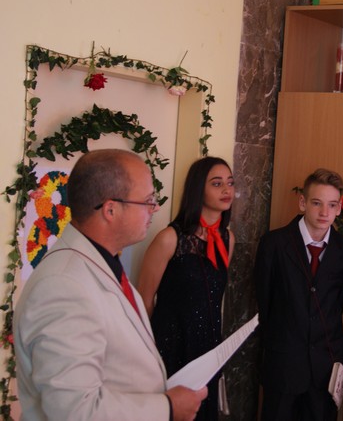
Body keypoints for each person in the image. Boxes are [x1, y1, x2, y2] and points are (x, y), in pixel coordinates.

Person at [13, 149, 207, 421]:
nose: (155, 209)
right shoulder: (63, 285)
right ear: (111, 209)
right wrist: (167, 408)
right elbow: (74, 410)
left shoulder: (101, 262)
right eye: (148, 201)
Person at [254, 168, 343, 421]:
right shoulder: (273, 244)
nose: (324, 212)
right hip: (283, 364)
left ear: (339, 208)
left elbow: (337, 304)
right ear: (302, 203)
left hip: (325, 369)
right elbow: (265, 303)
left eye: (332, 205)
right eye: (316, 203)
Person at [137, 156, 235, 421]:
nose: (227, 190)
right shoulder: (169, 238)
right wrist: (147, 354)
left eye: (230, 182)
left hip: (209, 349)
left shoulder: (228, 238)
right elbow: (144, 300)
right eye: (217, 183)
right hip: (171, 346)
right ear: (198, 189)